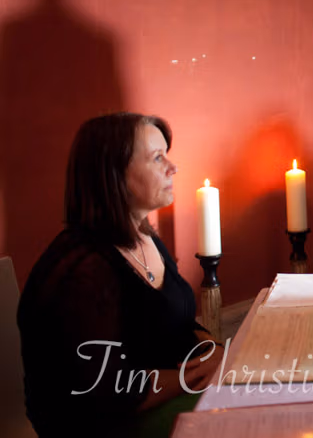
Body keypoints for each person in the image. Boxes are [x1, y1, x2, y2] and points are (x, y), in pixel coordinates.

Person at [17, 113, 223, 438]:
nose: (173, 167)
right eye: (157, 158)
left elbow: (176, 321)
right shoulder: (83, 269)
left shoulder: (143, 235)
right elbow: (107, 390)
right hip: (106, 426)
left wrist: (215, 351)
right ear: (113, 174)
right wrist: (193, 377)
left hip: (160, 396)